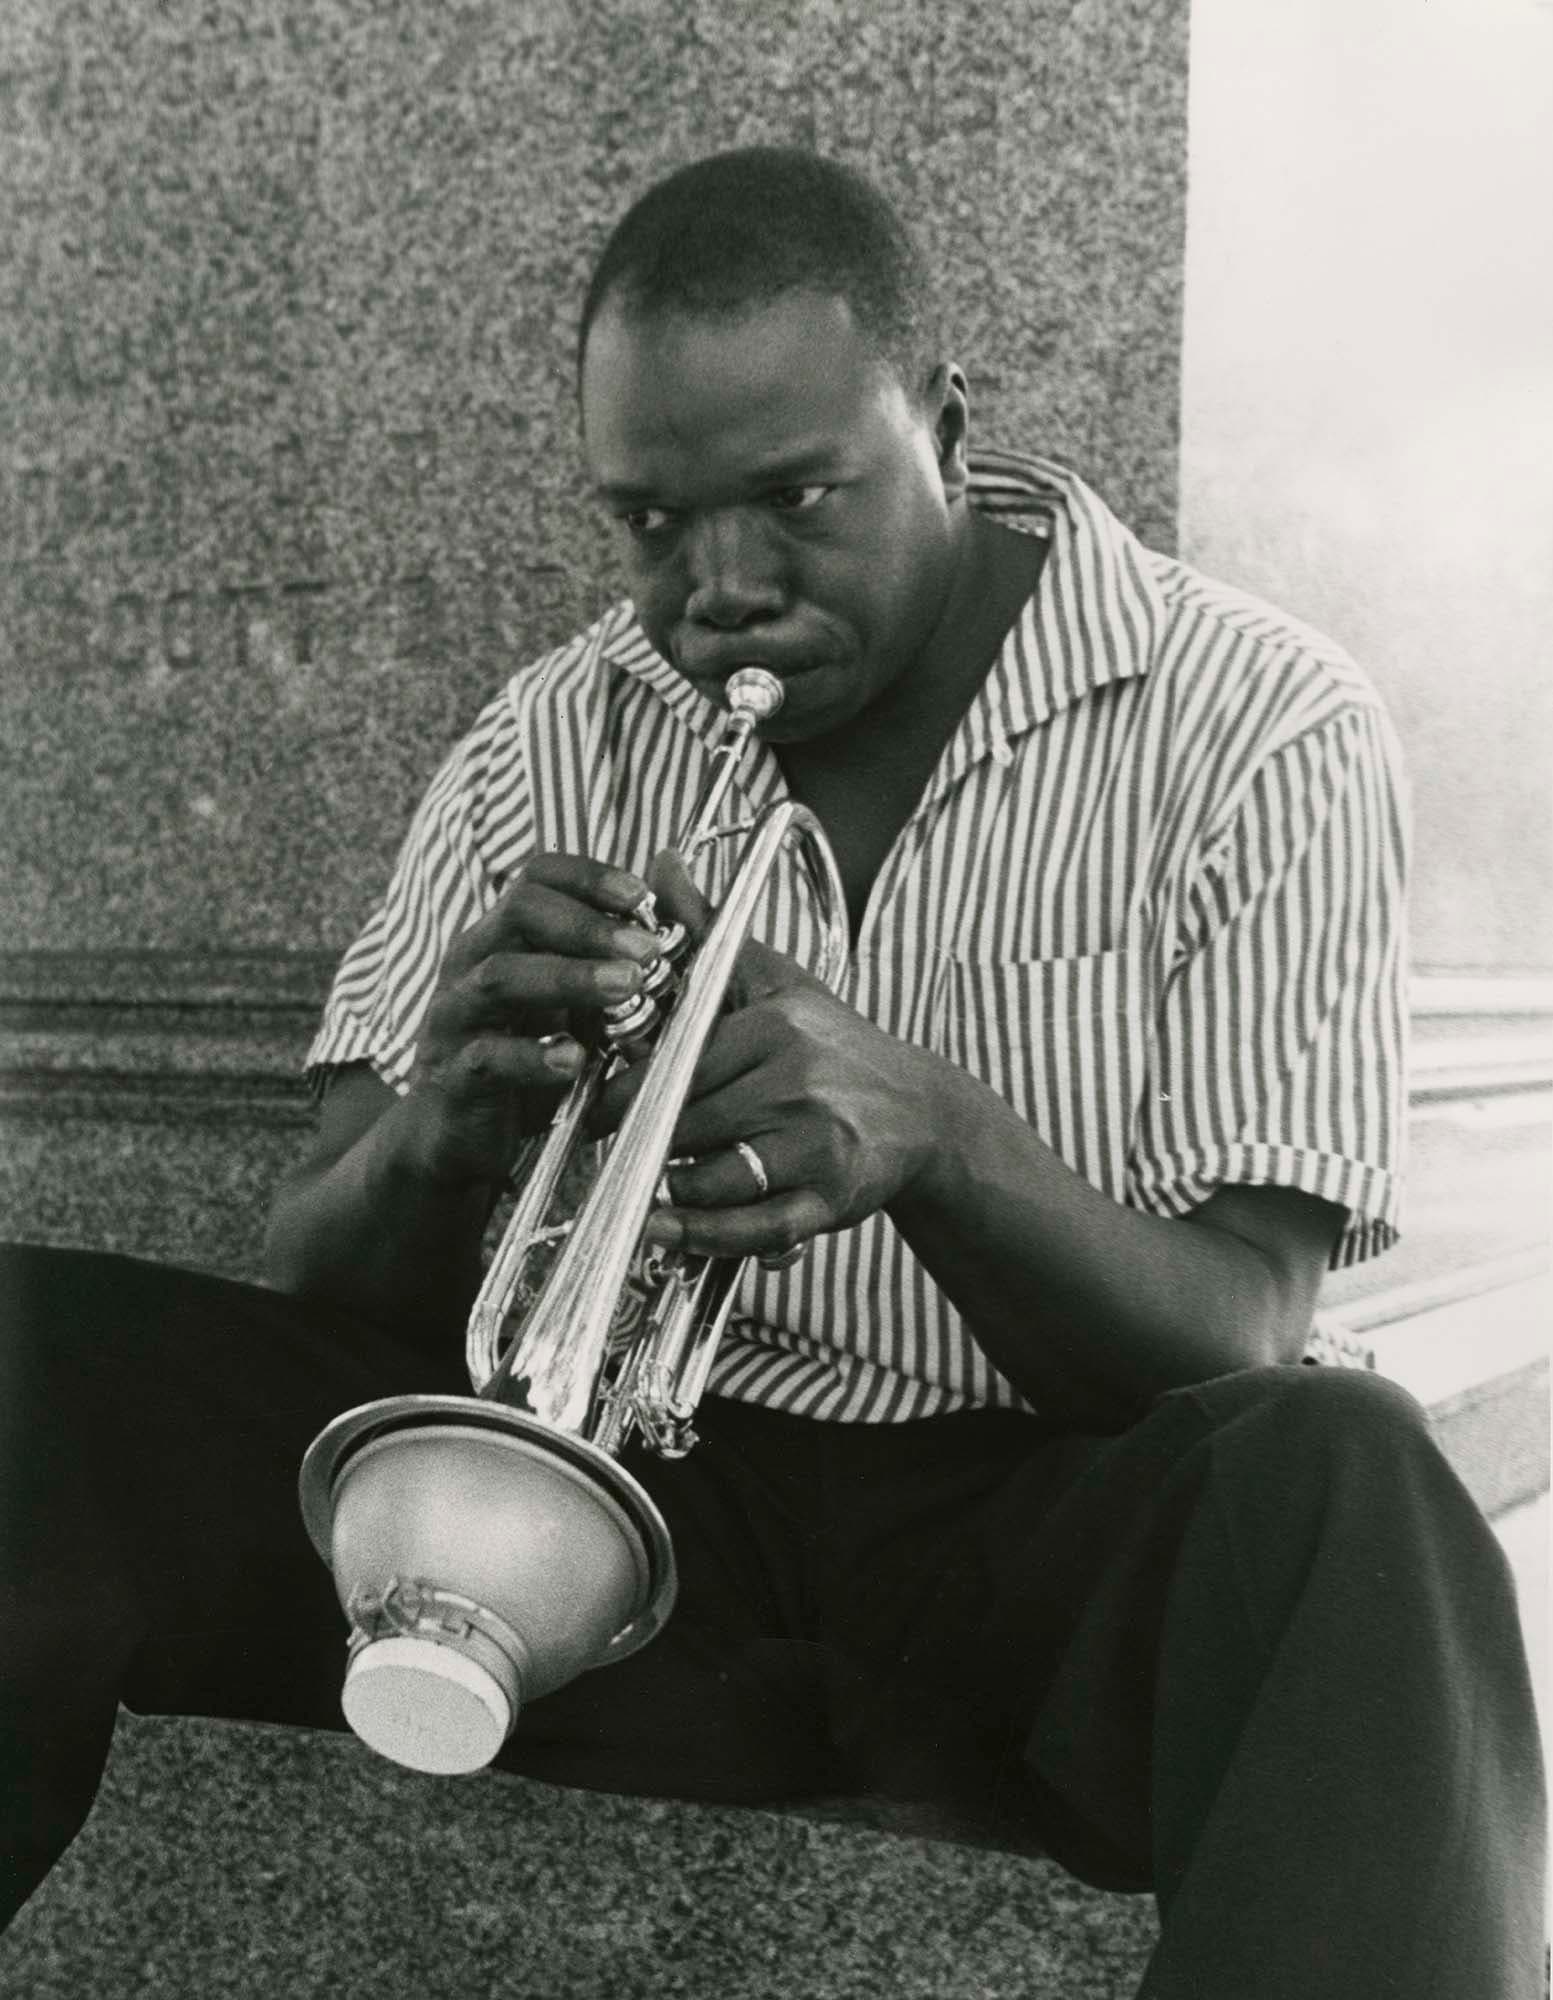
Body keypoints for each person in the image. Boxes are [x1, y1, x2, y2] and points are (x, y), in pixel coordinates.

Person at [0, 148, 1542, 1996]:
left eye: (799, 498)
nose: (719, 591)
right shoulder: (555, 732)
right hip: (606, 1547)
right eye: (651, 525)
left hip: (1032, 1547)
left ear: (945, 430)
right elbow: (312, 1282)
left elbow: (1238, 1325)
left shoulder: (1252, 723)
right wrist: (451, 1124)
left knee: (1349, 1481)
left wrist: (943, 1142)